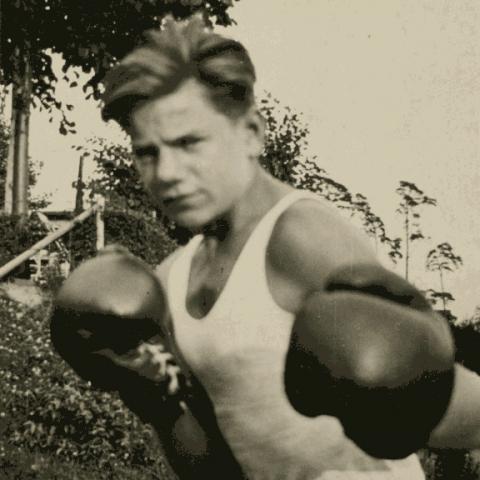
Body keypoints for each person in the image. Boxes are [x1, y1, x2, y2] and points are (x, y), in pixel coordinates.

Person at [55, 15, 480, 480]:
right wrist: (161, 400)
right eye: (148, 152)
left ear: (251, 133)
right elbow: (216, 469)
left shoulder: (299, 235)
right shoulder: (172, 278)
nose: (168, 173)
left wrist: (410, 395)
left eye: (189, 142)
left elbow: (437, 397)